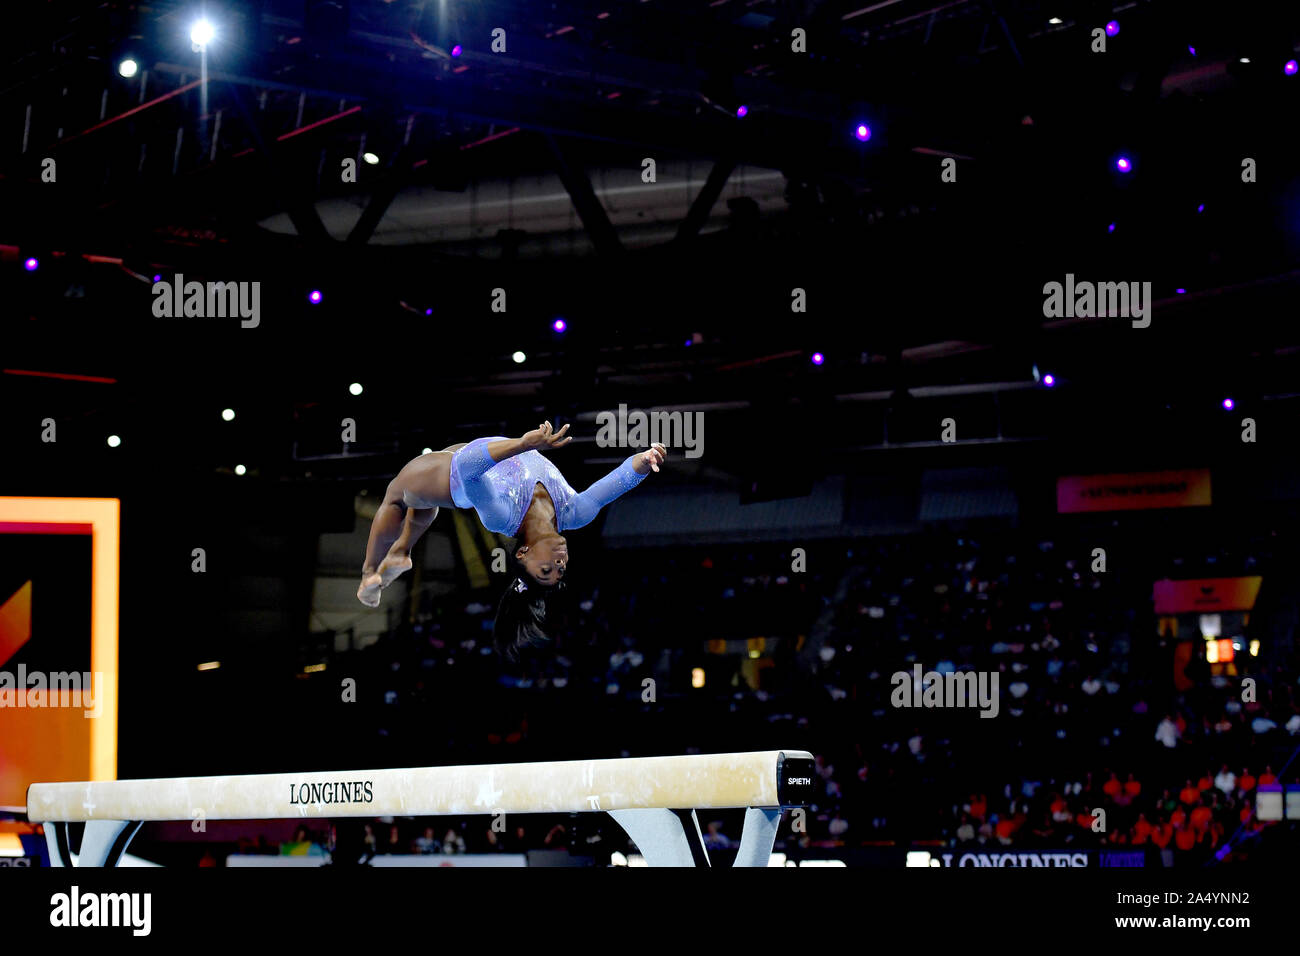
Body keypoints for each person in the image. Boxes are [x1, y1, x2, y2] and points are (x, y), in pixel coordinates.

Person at [356, 421, 666, 657]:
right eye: (561, 569)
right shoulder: (576, 512)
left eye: (546, 570)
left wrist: (522, 444)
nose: (559, 563)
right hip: (482, 449)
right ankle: (400, 551)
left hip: (459, 477)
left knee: (396, 496)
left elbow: (468, 467)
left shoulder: (502, 517)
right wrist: (643, 461)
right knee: (421, 505)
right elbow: (617, 482)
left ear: (523, 554)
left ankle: (370, 573)